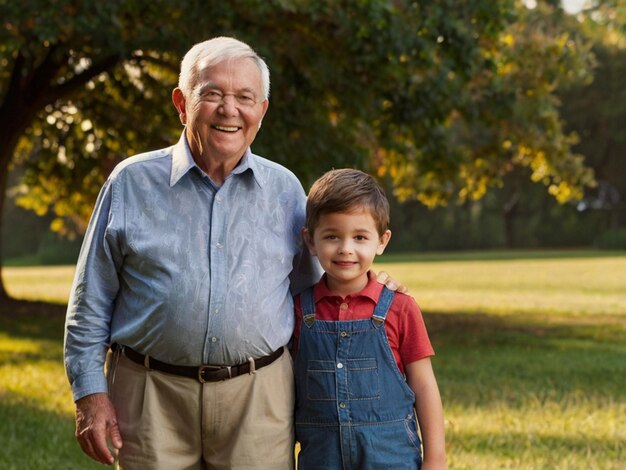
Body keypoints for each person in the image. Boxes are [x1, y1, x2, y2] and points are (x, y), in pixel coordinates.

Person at [64, 37, 399, 469]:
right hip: (149, 398)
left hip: (258, 402)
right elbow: (90, 301)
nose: (229, 110)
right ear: (182, 103)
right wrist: (90, 394)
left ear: (261, 110)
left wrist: (374, 286)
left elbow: (316, 293)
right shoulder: (130, 183)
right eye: (213, 94)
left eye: (245, 97)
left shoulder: (286, 190)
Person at [292, 169, 447, 469]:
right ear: (310, 241)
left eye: (360, 237)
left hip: (391, 459)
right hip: (320, 460)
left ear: (381, 241)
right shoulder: (298, 310)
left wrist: (436, 459)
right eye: (332, 236)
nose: (346, 248)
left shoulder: (400, 308)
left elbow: (424, 385)